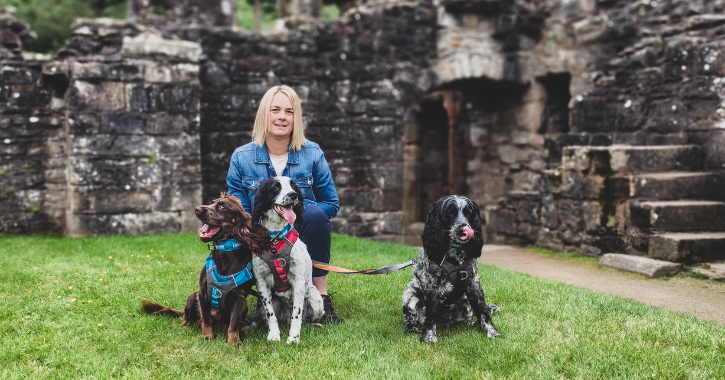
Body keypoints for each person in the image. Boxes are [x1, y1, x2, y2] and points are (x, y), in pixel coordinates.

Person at [226, 85, 341, 324]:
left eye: (289, 111)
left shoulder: (312, 153)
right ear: (264, 115)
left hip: (298, 233)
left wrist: (295, 212)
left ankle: (320, 295)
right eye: (275, 110)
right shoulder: (241, 157)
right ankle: (255, 293)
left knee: (317, 215)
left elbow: (331, 203)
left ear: (295, 118)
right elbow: (237, 209)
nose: (282, 117)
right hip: (259, 234)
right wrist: (266, 224)